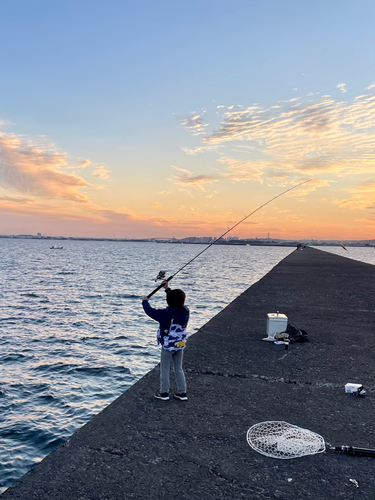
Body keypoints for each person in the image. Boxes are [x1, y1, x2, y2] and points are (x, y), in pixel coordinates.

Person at [142, 281, 189, 401]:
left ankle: (164, 393)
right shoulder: (185, 312)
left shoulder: (165, 314)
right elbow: (176, 300)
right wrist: (167, 289)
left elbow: (150, 311)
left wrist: (145, 301)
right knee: (178, 368)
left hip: (167, 347)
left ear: (168, 302)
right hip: (179, 345)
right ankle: (182, 393)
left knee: (165, 369)